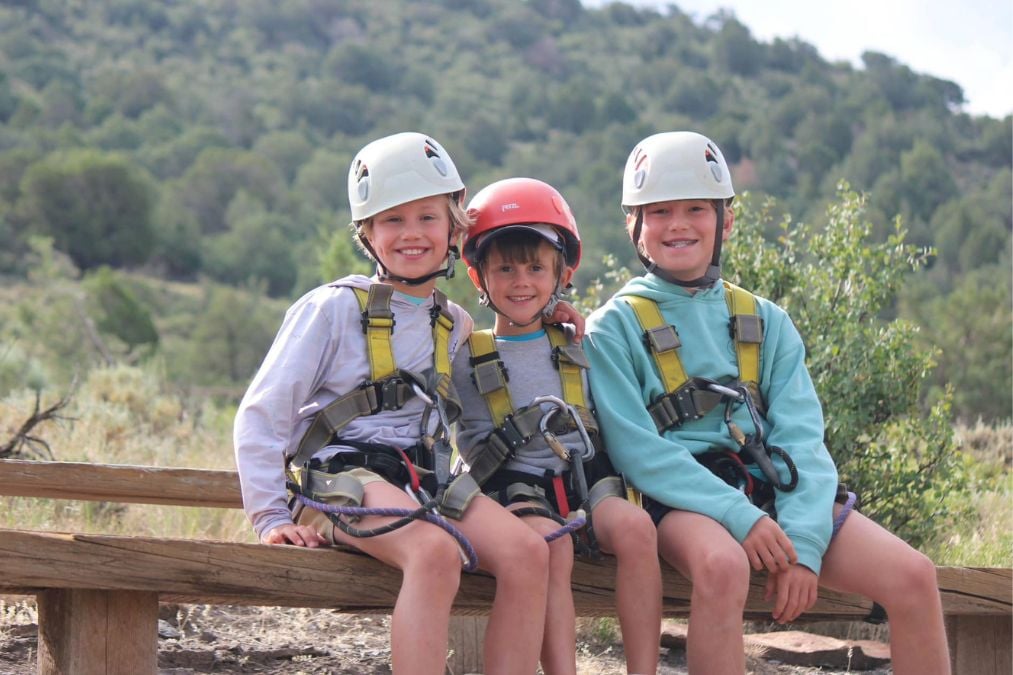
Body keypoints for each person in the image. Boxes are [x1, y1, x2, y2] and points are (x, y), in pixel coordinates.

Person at [583, 131, 950, 674]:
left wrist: (803, 544)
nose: (678, 224)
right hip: (679, 500)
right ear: (634, 226)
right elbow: (640, 452)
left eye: (695, 210)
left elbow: (802, 438)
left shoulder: (765, 321)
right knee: (723, 564)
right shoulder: (613, 328)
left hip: (771, 491)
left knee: (915, 576)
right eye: (658, 211)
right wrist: (740, 518)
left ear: (726, 222)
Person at [234, 133, 558, 675]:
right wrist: (269, 516)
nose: (412, 234)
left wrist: (554, 320)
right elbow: (262, 414)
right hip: (338, 479)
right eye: (392, 220)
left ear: (455, 227)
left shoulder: (452, 324)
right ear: (367, 233)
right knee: (434, 554)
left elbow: (502, 368)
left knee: (529, 555)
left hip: (422, 480)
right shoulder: (333, 308)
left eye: (428, 218)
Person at [452, 177, 662, 675]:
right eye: (504, 268)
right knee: (554, 543)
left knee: (636, 529)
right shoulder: (465, 353)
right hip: (513, 484)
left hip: (586, 478)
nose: (521, 281)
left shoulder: (576, 344)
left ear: (559, 275)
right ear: (480, 277)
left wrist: (561, 321)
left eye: (535, 268)